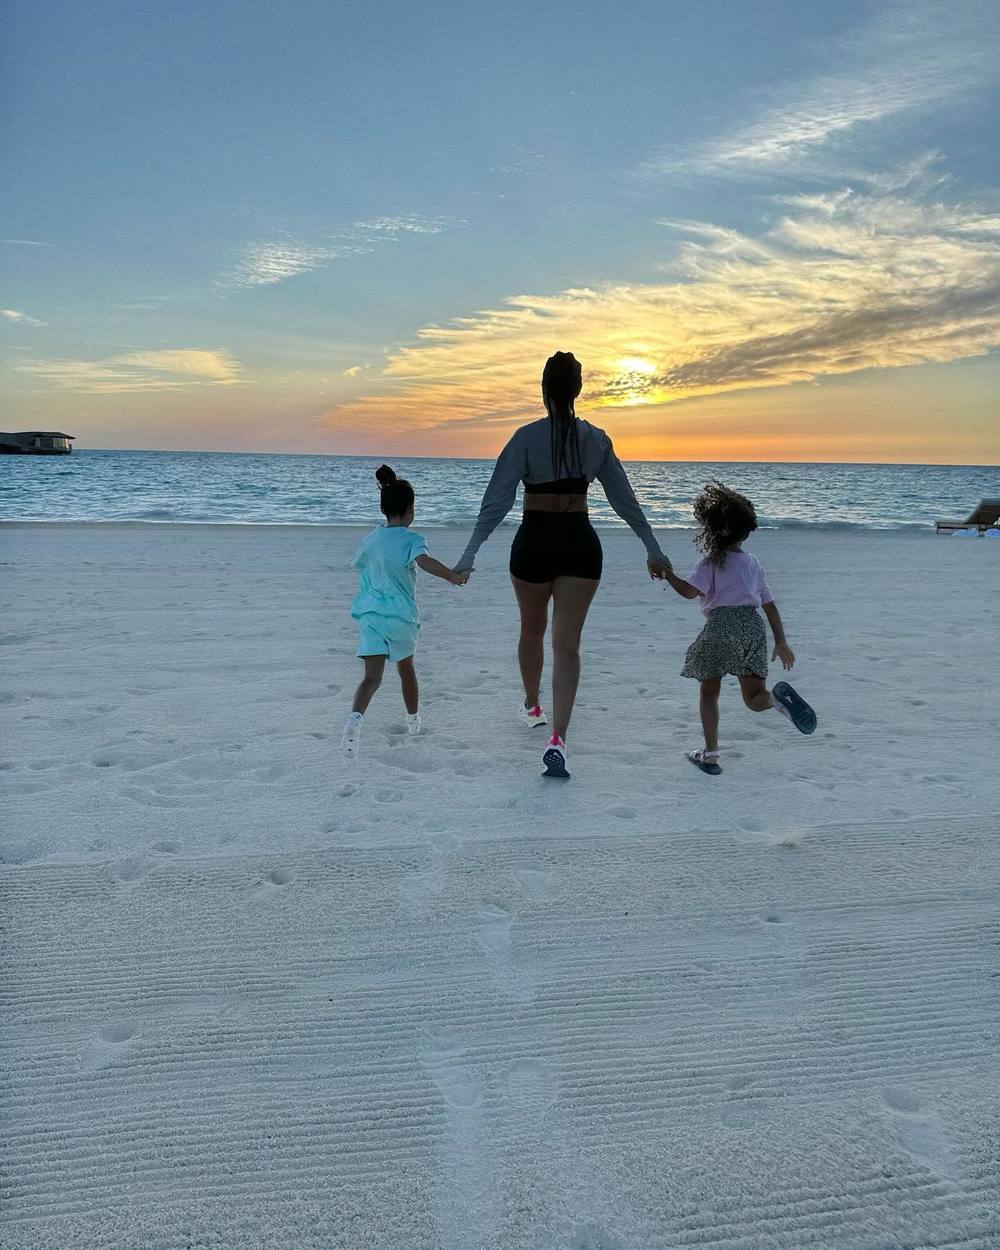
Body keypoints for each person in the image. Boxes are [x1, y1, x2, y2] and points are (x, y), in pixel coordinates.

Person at [455, 351, 672, 779]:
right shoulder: (596, 439)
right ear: (578, 390)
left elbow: (496, 501)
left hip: (534, 543)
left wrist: (470, 553)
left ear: (543, 389)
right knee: (567, 645)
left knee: (531, 629)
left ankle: (532, 706)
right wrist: (653, 547)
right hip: (579, 544)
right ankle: (558, 737)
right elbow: (624, 500)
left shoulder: (525, 438)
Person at [660, 481, 816, 775]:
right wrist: (781, 642)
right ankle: (776, 701)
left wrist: (667, 574)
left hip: (720, 628)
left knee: (709, 693)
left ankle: (710, 754)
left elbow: (689, 592)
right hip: (752, 629)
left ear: (712, 530)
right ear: (746, 530)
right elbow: (770, 606)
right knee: (755, 698)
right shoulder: (753, 564)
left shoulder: (711, 562)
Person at [342, 465, 470, 759]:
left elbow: (360, 564)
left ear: (384, 509)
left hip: (371, 616)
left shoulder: (371, 540)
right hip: (400, 617)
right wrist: (453, 576)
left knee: (371, 678)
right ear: (411, 510)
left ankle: (355, 719)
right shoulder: (413, 540)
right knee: (406, 668)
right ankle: (413, 722)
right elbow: (424, 562)